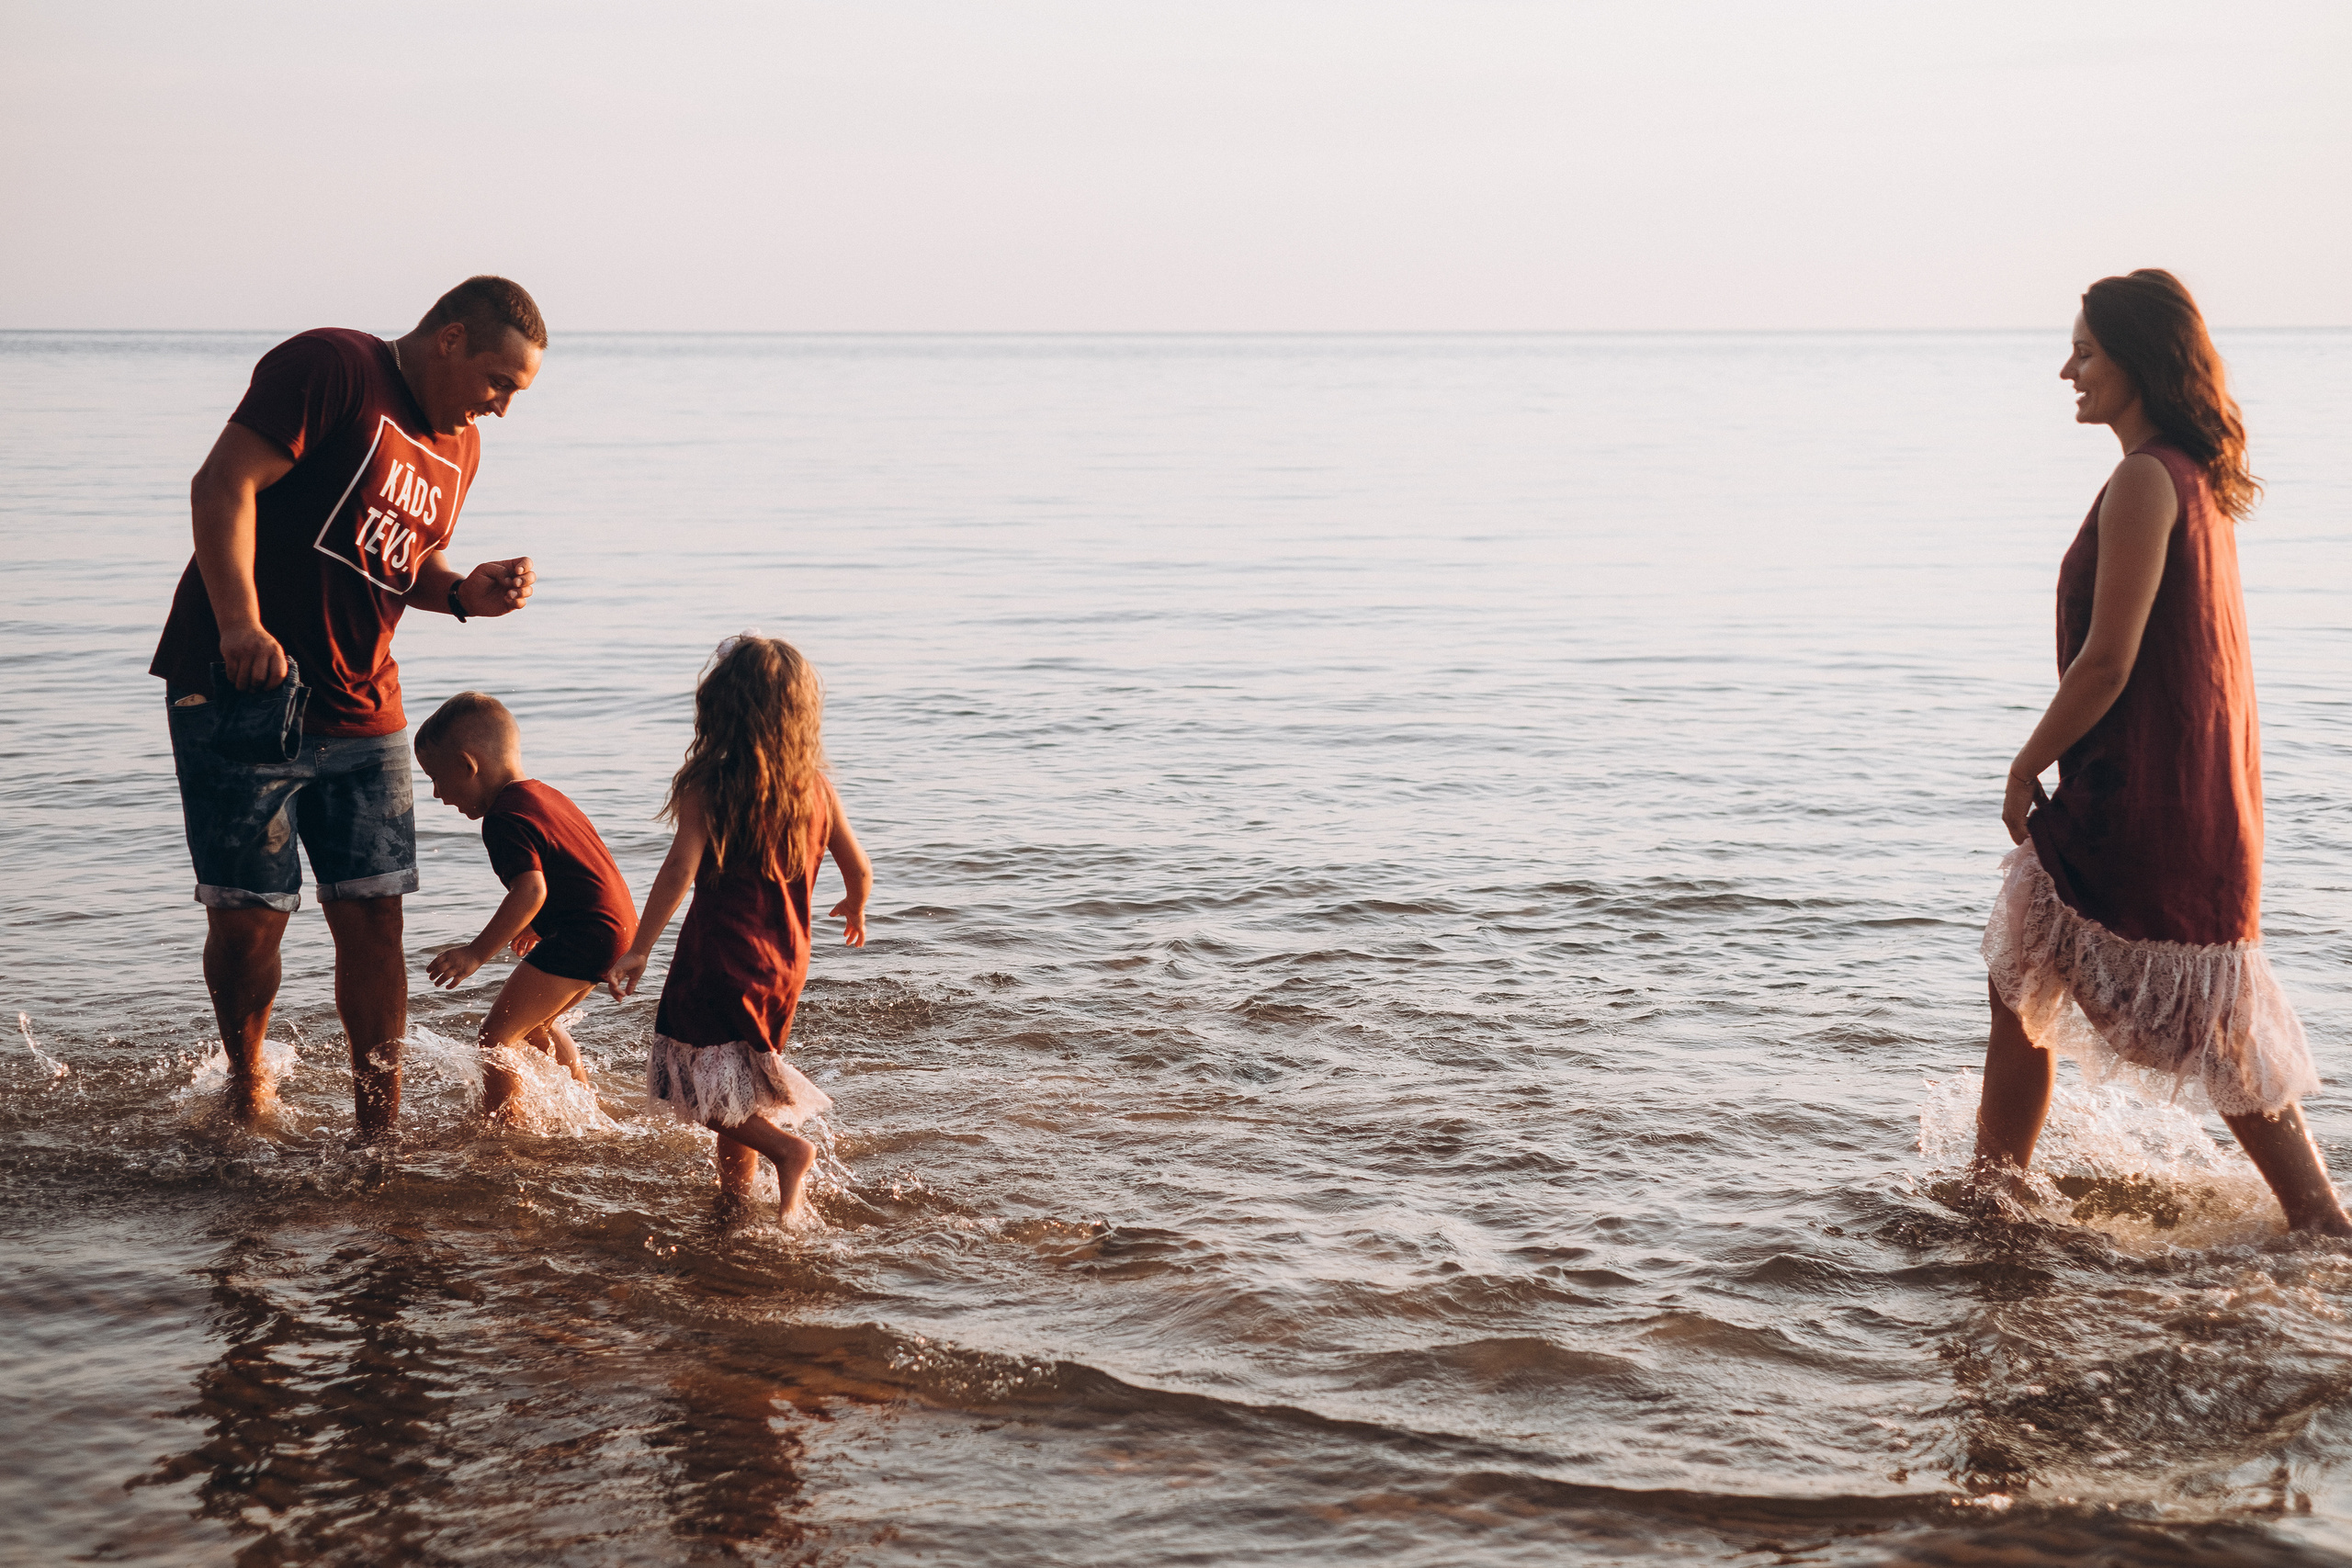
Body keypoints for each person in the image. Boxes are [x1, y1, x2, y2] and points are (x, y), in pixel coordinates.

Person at [1973, 269, 2351, 1235]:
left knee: (2047, 984)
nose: (2067, 370)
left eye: (2086, 351)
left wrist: (2023, 766)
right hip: (2185, 796)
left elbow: (2107, 662)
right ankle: (2314, 1220)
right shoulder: (2190, 476)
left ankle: (1993, 1200)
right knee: (2177, 1021)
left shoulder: (2148, 478)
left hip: (2137, 797)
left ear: (2135, 361)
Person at [150, 276, 548, 1137]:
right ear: (449, 339)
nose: (501, 409)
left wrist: (465, 592)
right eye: (499, 383)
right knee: (251, 920)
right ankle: (248, 1085)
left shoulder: (460, 448)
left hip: (367, 706)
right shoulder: (333, 365)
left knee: (374, 918)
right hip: (242, 692)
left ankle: (379, 1130)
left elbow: (411, 559)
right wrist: (239, 624)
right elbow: (221, 484)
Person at [606, 636, 872, 1222]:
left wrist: (639, 948)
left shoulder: (710, 786)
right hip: (783, 964)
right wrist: (853, 907)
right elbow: (859, 868)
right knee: (740, 1085)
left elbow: (680, 868)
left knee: (692, 1083)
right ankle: (736, 1203)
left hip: (718, 957)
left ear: (718, 708)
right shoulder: (816, 790)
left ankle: (787, 1150)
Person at [414, 692, 636, 1122]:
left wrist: (475, 953)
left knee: (494, 1039)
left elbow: (531, 890)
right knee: (537, 1025)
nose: (438, 794)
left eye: (436, 778)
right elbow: (570, 870)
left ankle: (505, 1132)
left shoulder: (503, 818)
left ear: (468, 765)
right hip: (613, 927)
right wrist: (539, 925)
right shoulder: (543, 795)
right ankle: (588, 1109)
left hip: (585, 933)